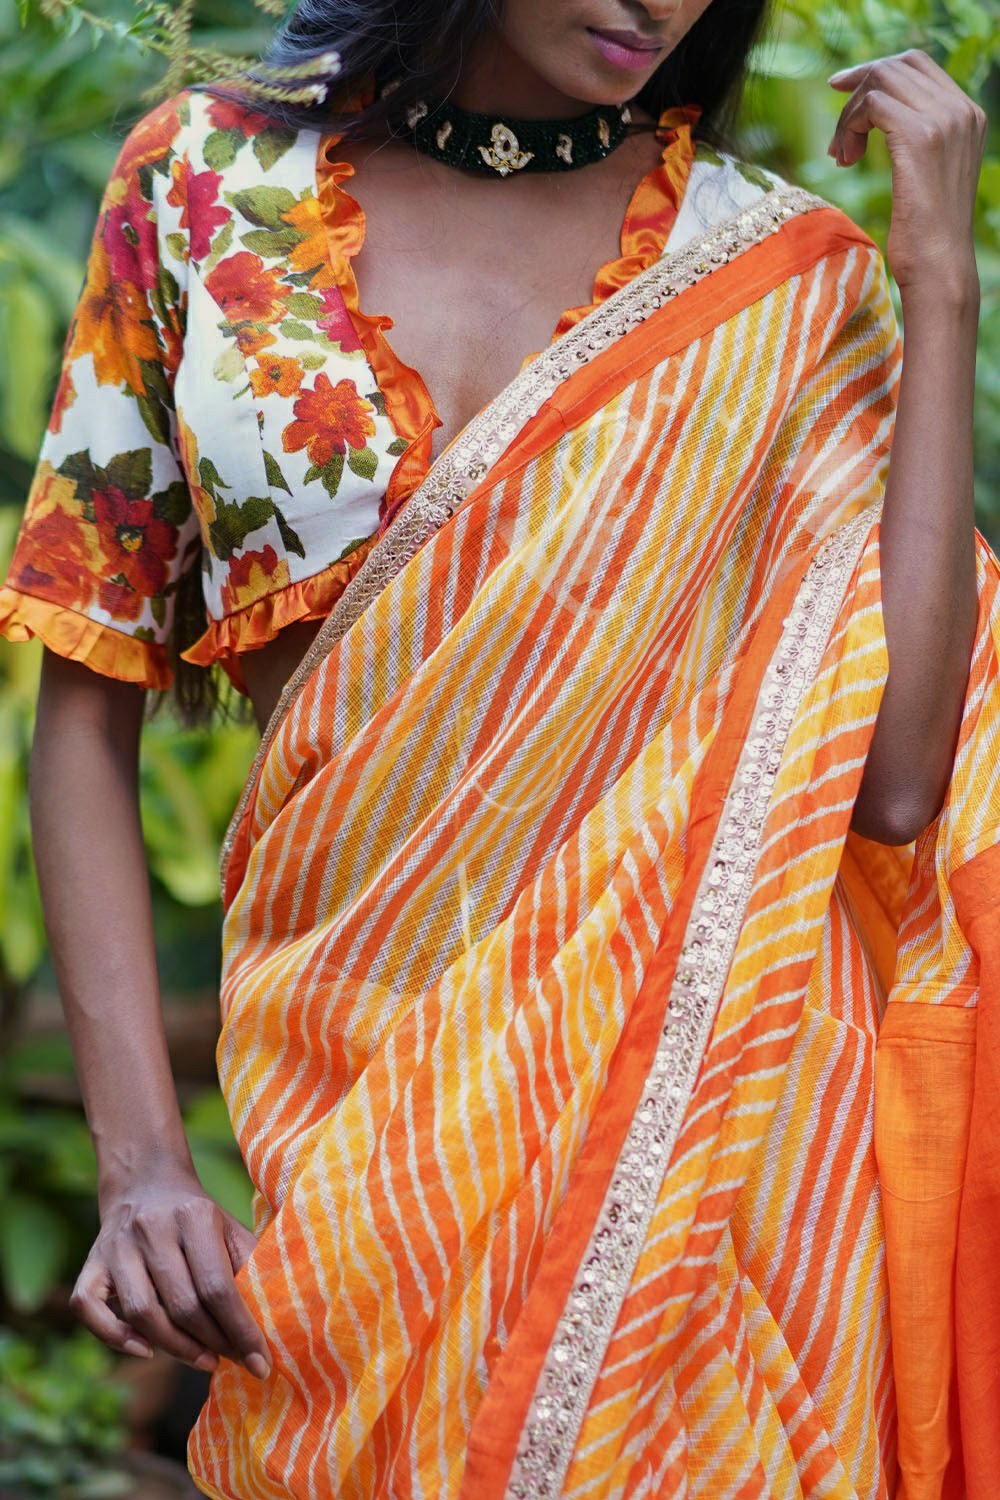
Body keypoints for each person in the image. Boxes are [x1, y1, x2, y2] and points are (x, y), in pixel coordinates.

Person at [1, 0, 995, 1494]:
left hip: (687, 1172)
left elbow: (902, 782)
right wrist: (140, 1166)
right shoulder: (205, 190)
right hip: (339, 1130)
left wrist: (939, 287)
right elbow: (87, 691)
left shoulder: (778, 282)